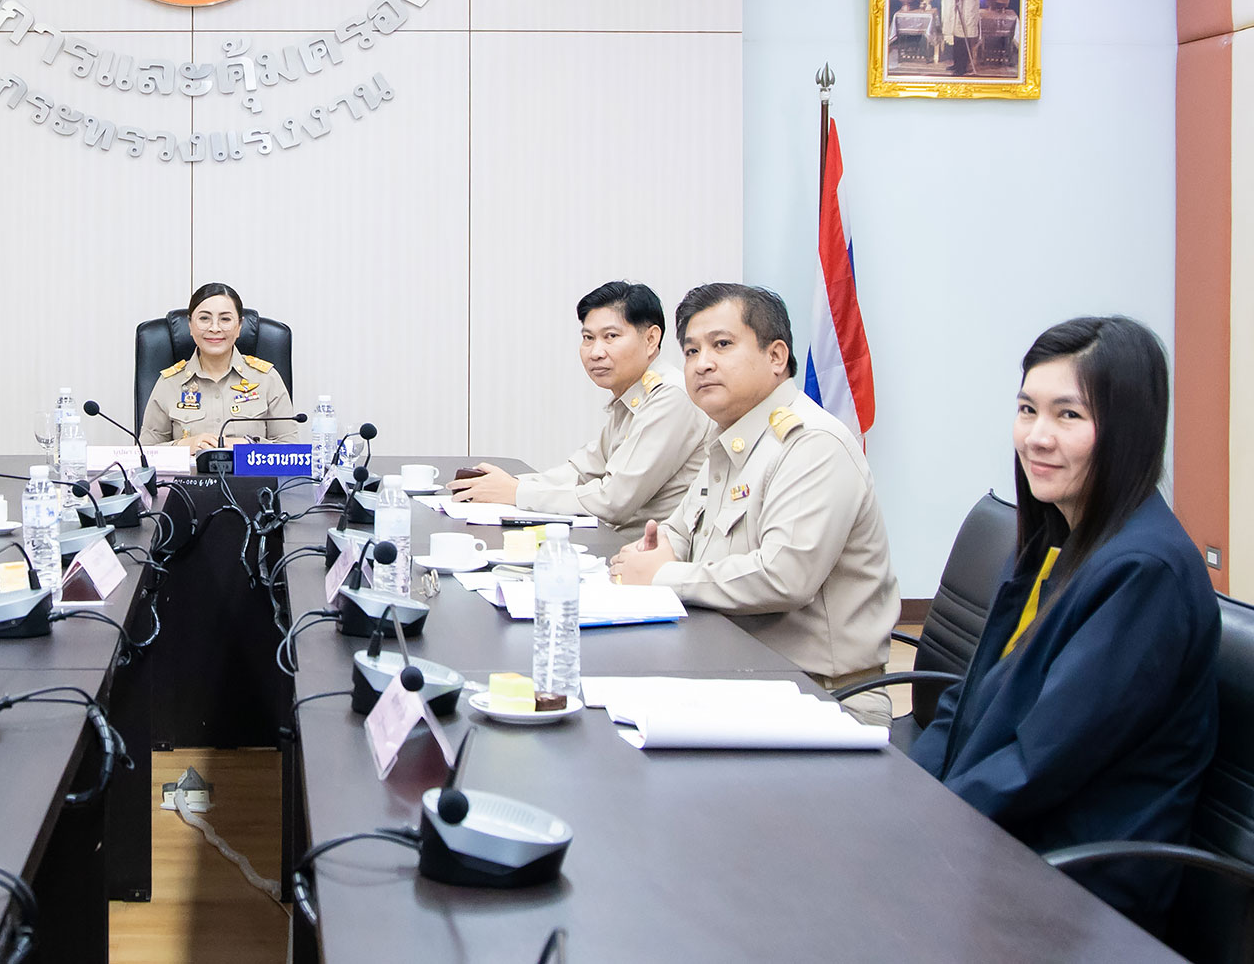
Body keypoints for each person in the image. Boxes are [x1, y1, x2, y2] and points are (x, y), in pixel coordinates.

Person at [912, 317, 1218, 930]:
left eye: (1068, 415)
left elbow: (1037, 763)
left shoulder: (1144, 573)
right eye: (1027, 409)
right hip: (1002, 840)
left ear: (1127, 430)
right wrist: (904, 790)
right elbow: (969, 700)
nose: (1037, 437)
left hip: (1074, 890)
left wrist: (921, 827)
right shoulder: (1054, 539)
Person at [611, 283, 899, 724]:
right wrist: (655, 551)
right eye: (691, 351)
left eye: (722, 345)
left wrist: (661, 576)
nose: (702, 363)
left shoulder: (810, 444)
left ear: (776, 356)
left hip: (821, 698)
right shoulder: (732, 437)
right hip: (738, 675)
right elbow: (678, 530)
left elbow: (784, 576)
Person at [453, 281, 712, 527]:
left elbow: (613, 501)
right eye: (588, 338)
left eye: (610, 336)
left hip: (646, 551)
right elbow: (583, 471)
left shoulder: (670, 396)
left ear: (651, 339)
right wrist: (504, 485)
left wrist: (517, 492)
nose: (595, 352)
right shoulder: (631, 396)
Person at [141, 283, 295, 449]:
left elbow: (292, 450)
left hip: (249, 468)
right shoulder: (169, 383)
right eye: (204, 319)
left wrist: (248, 445)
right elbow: (144, 453)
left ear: (239, 326)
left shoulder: (267, 379)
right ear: (190, 325)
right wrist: (182, 446)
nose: (214, 328)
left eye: (225, 319)